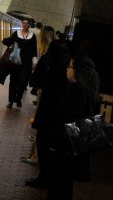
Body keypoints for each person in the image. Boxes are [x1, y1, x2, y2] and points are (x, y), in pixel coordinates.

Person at [45, 55, 102, 200]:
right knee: (66, 185)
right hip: (75, 150)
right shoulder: (89, 91)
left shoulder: (76, 91)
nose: (67, 69)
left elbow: (67, 120)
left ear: (77, 70)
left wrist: (55, 144)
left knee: (57, 186)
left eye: (70, 66)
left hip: (65, 148)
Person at [24, 26, 70, 187]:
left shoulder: (47, 61)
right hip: (57, 114)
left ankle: (43, 178)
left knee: (43, 144)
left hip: (46, 110)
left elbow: (34, 81)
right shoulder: (65, 70)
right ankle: (49, 177)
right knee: (51, 147)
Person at [2, 17, 38, 108]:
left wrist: (34, 61)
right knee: (13, 81)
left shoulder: (32, 36)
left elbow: (34, 50)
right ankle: (11, 101)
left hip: (26, 63)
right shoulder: (16, 34)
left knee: (23, 81)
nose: (25, 25)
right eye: (23, 23)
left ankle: (18, 98)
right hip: (15, 62)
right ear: (22, 24)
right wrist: (7, 41)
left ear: (29, 25)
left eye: (26, 23)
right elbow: (8, 41)